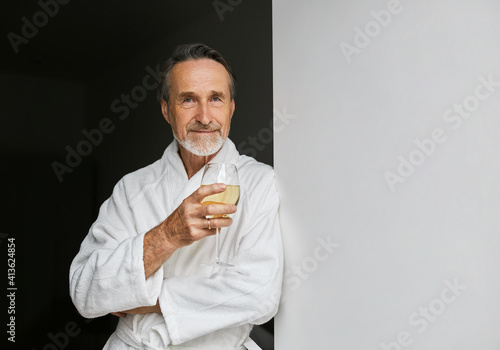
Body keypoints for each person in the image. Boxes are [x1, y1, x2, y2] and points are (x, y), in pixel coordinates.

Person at [69, 43, 283, 350]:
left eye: (216, 98)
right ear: (166, 110)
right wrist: (167, 235)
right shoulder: (132, 189)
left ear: (231, 107)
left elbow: (260, 294)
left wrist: (138, 298)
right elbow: (85, 292)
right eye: (188, 100)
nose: (204, 116)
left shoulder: (260, 182)